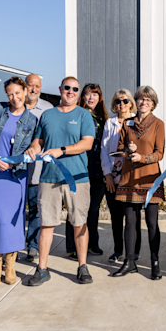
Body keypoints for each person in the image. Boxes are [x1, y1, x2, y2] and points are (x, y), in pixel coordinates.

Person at [24, 76, 96, 287]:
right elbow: (38, 143)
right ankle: (42, 269)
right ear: (60, 89)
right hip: (49, 178)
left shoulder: (84, 115)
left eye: (75, 89)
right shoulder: (47, 115)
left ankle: (82, 266)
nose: (71, 92)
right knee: (46, 224)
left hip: (77, 178)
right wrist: (33, 149)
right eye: (67, 88)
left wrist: (61, 150)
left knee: (79, 223)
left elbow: (87, 144)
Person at [0, 77, 37, 285]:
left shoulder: (32, 120)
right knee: (0, 219)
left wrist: (14, 164)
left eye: (17, 93)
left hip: (16, 176)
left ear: (25, 91)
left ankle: (10, 265)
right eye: (10, 94)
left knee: (14, 220)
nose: (14, 98)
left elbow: (32, 149)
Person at [112, 86, 165, 280]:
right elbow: (119, 149)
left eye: (148, 100)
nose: (144, 103)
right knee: (130, 223)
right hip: (129, 179)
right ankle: (130, 262)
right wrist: (127, 148)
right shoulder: (127, 123)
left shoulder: (158, 124)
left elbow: (160, 153)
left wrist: (142, 157)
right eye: (141, 99)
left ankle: (155, 263)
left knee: (152, 223)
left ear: (153, 103)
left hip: (149, 179)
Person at [65, 83, 108, 259]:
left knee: (93, 209)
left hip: (98, 171)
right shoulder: (76, 116)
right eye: (87, 94)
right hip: (79, 169)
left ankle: (92, 244)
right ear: (82, 97)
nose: (91, 98)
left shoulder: (104, 120)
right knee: (75, 209)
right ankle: (73, 246)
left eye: (95, 95)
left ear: (100, 98)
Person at [100, 88, 140, 264]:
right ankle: (118, 251)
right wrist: (107, 174)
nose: (121, 104)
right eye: (118, 101)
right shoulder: (110, 123)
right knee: (116, 216)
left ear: (131, 102)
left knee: (133, 216)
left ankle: (134, 251)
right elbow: (104, 149)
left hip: (131, 174)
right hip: (113, 175)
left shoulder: (137, 121)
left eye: (125, 101)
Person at [23, 73, 54, 262]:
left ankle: (32, 246)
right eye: (31, 85)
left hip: (37, 170)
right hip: (15, 171)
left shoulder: (48, 109)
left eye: (37, 86)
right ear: (24, 86)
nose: (34, 89)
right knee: (17, 211)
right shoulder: (13, 106)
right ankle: (16, 243)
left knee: (35, 210)